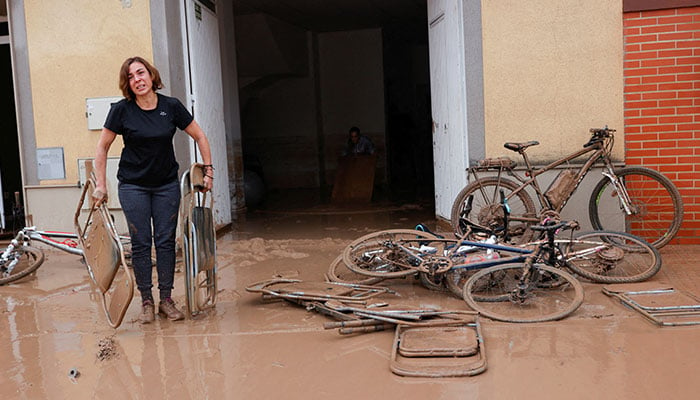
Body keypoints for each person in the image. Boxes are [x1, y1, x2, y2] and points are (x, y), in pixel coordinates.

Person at [93, 56, 214, 324]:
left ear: (151, 75)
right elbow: (102, 147)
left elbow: (200, 136)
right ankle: (146, 300)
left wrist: (209, 170)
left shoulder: (171, 107)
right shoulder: (121, 110)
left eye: (141, 73)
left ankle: (166, 300)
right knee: (141, 242)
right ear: (128, 84)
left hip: (165, 185)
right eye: (131, 76)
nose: (137, 79)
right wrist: (101, 184)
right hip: (133, 185)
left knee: (165, 241)